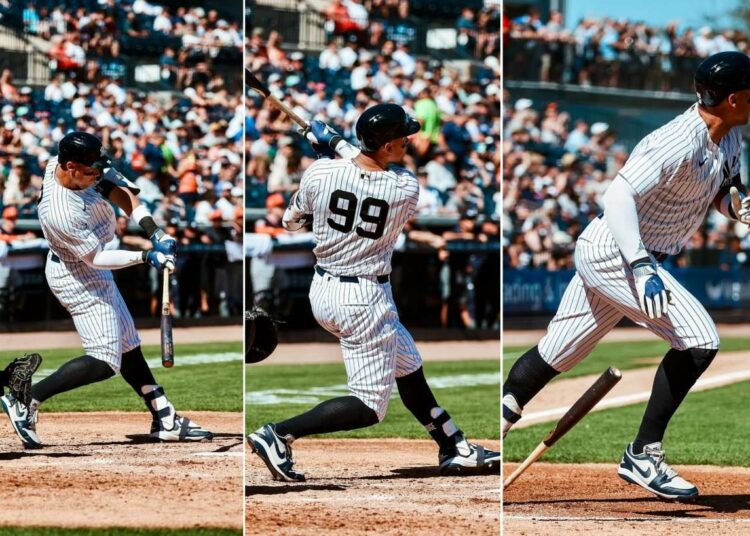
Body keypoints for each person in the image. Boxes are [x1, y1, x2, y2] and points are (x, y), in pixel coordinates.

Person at [502, 51, 750, 500]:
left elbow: (720, 192)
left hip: (628, 254)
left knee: (558, 350)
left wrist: (735, 206)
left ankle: (497, 422)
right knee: (700, 339)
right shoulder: (678, 138)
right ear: (733, 98)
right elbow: (618, 195)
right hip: (618, 252)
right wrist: (640, 265)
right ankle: (643, 453)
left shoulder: (730, 138)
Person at [248, 104, 500, 481]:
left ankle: (453, 445)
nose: (408, 141)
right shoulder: (404, 187)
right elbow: (361, 162)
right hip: (364, 298)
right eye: (402, 137)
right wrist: (331, 140)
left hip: (324, 289)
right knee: (369, 406)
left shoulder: (320, 172)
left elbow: (291, 221)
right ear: (386, 146)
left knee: (408, 366)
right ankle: (279, 435)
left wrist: (328, 152)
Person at [0, 132, 212, 448]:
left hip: (92, 266)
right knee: (104, 360)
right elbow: (96, 259)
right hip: (77, 275)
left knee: (128, 344)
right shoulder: (59, 211)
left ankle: (164, 416)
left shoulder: (78, 170)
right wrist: (146, 256)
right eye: (90, 171)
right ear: (70, 166)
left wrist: (155, 233)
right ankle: (27, 400)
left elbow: (121, 192)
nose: (97, 176)